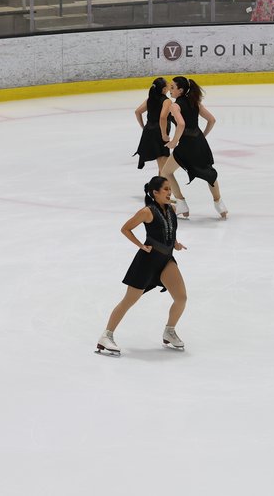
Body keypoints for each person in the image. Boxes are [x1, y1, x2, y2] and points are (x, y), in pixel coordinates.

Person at [96, 177, 188, 356]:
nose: (170, 192)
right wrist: (140, 245)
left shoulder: (172, 210)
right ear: (155, 192)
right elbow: (126, 228)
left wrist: (175, 243)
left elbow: (169, 230)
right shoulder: (147, 211)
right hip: (147, 262)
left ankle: (169, 331)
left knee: (181, 298)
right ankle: (106, 336)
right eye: (166, 189)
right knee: (129, 301)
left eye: (170, 189)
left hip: (166, 260)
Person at [161, 76, 228, 220]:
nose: (170, 91)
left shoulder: (175, 105)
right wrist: (202, 135)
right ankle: (220, 204)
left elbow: (181, 124)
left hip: (186, 145)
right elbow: (211, 120)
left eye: (173, 88)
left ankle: (181, 203)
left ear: (181, 90)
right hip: (200, 143)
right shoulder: (195, 102)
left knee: (166, 172)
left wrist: (174, 142)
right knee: (209, 174)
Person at [134, 77, 173, 174]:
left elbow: (137, 112)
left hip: (149, 130)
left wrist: (144, 127)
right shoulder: (166, 101)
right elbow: (162, 118)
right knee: (164, 168)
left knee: (162, 166)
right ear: (164, 89)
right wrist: (164, 134)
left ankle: (162, 186)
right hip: (159, 133)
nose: (169, 85)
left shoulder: (150, 99)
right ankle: (162, 187)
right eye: (167, 84)